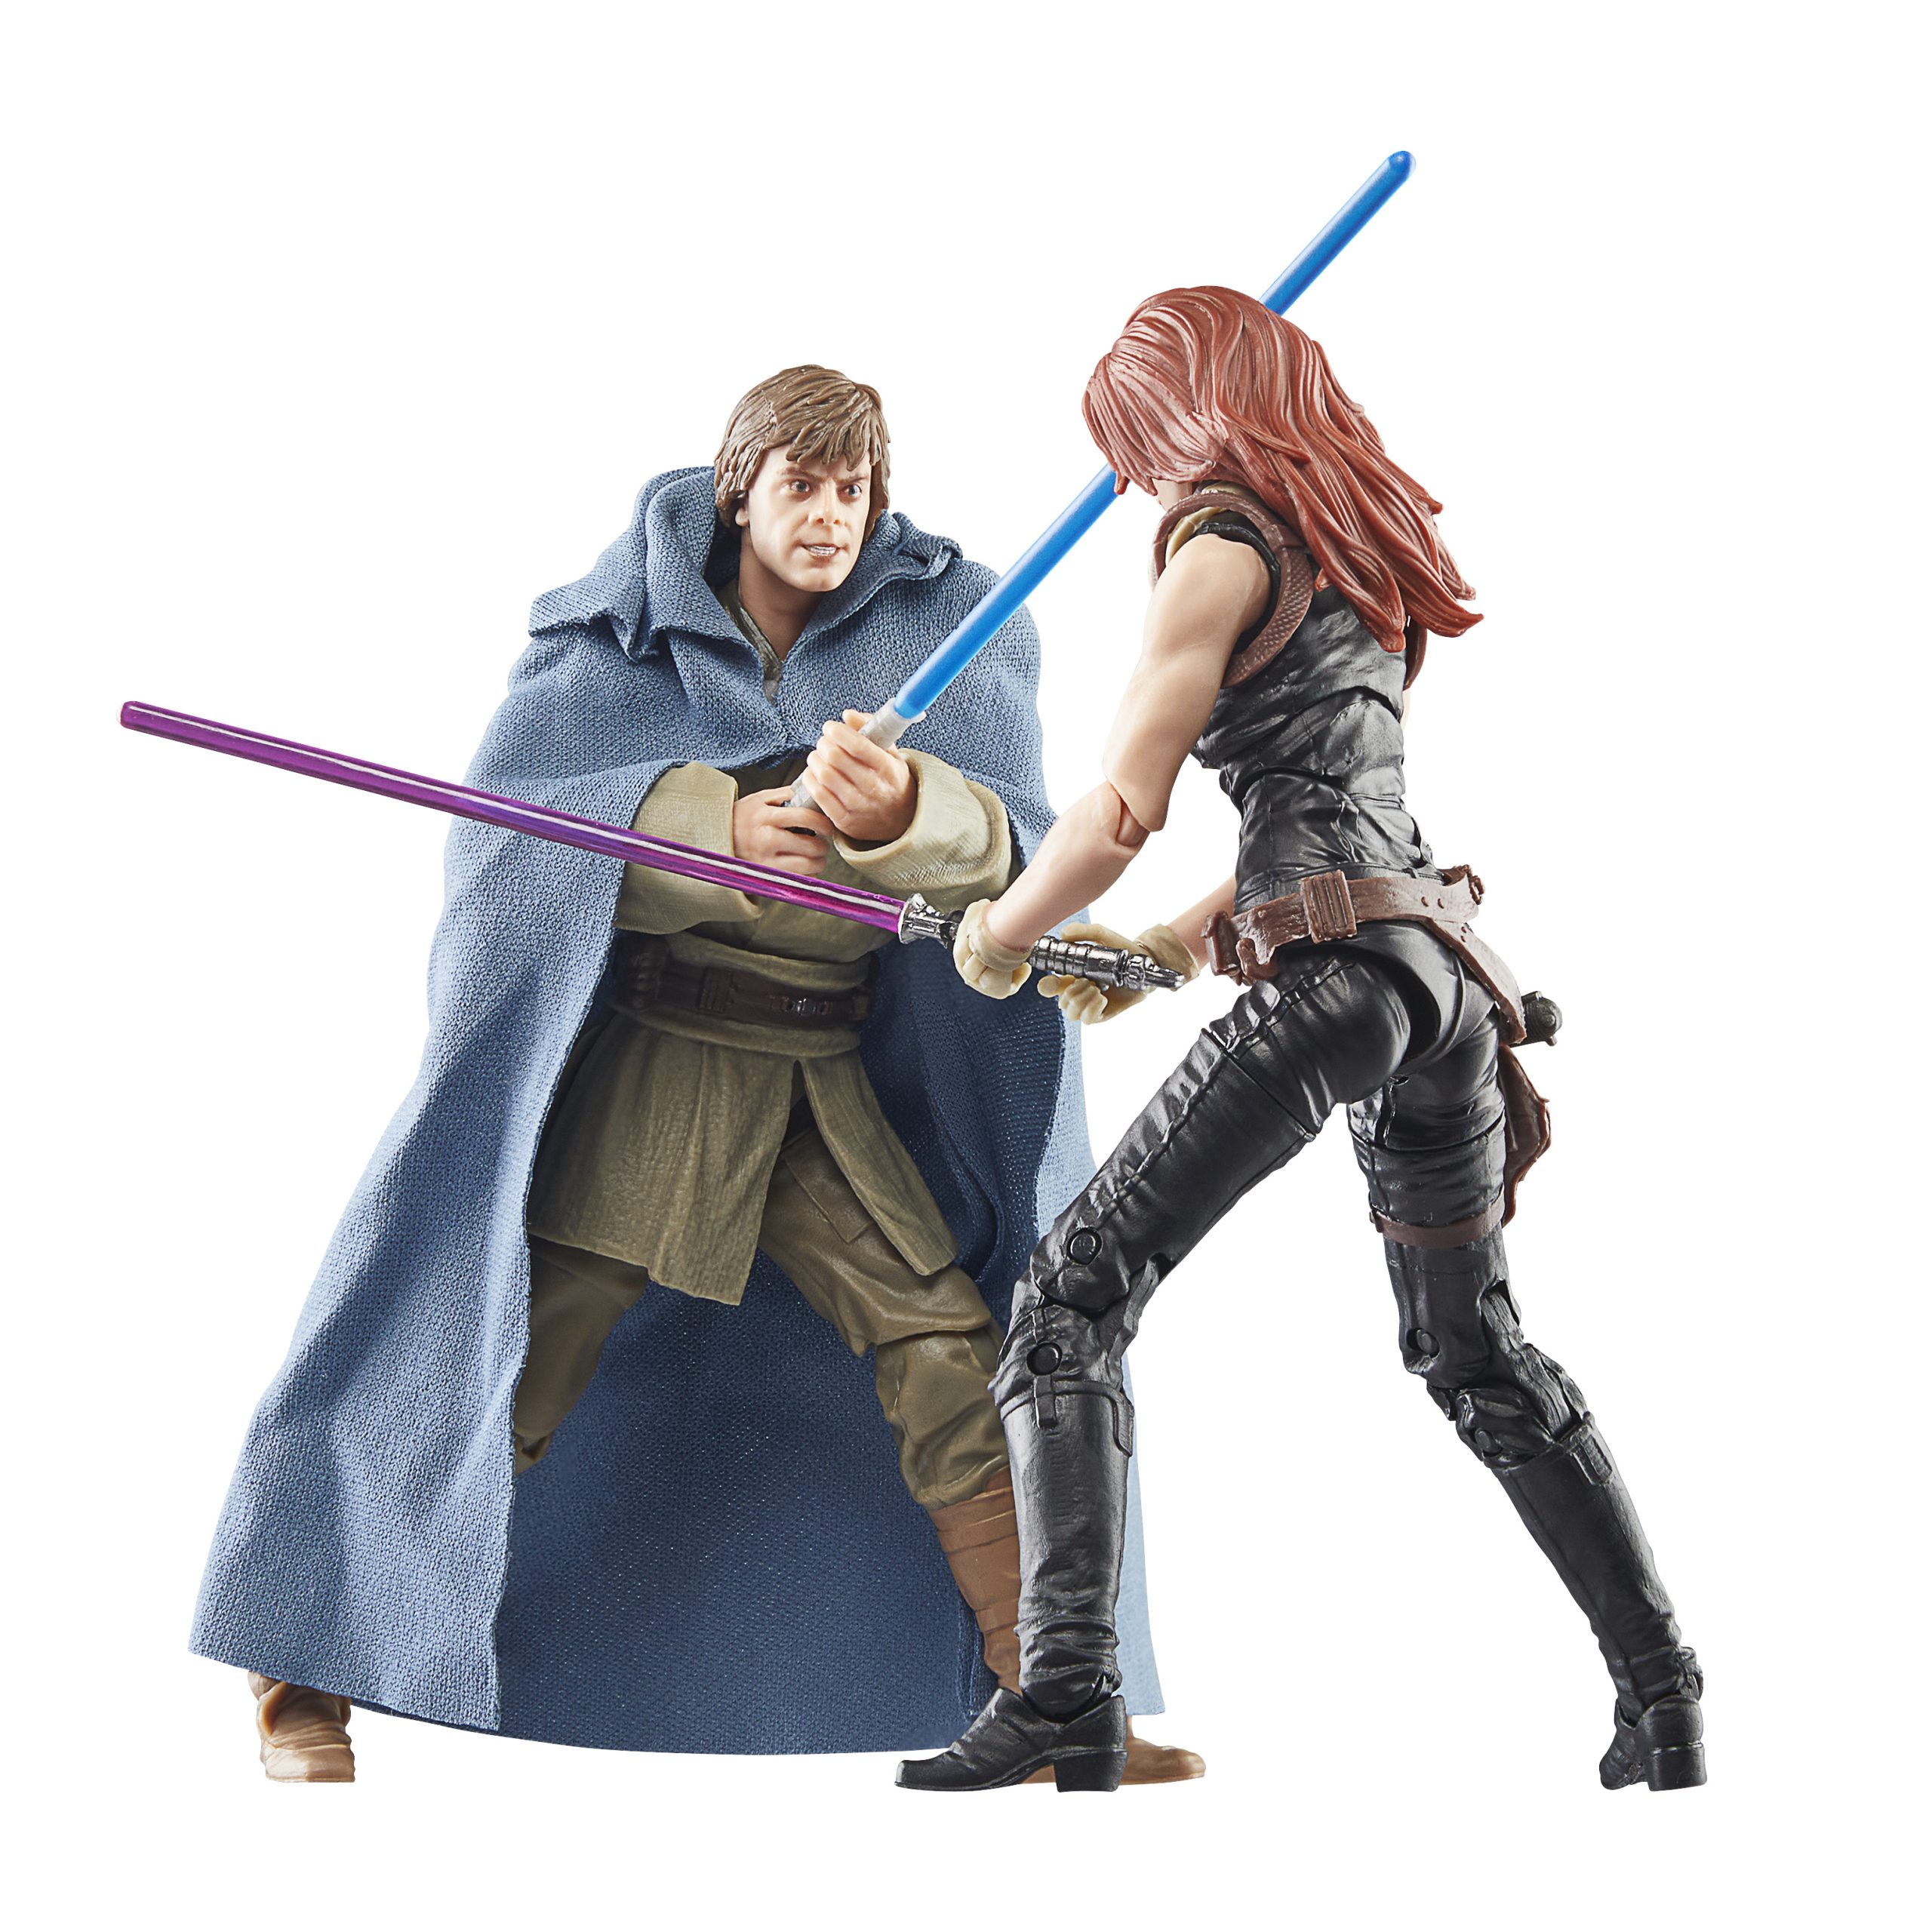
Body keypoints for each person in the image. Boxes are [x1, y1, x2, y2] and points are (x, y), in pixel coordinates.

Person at [196, 366, 1194, 1783]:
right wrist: (704, 831)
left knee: (944, 1355)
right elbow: (506, 842)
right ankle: (311, 1659)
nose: (830, 516)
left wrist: (911, 815)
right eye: (802, 486)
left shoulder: (950, 629)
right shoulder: (613, 633)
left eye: (854, 490)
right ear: (743, 491)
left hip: (821, 1082)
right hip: (657, 1078)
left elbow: (1024, 864)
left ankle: (1053, 1696)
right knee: (515, 1358)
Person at [898, 290, 1704, 1795]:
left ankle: (1066, 1693)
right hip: (1437, 984)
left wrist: (1002, 926)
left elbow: (1119, 810)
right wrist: (1164, 947)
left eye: (1138, 444)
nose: (1137, 482)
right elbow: (1335, 819)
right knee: (1473, 1348)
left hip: (1345, 983)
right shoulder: (1351, 550)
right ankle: (1663, 1696)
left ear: (1182, 414)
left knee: (1069, 1300)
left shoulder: (1216, 547)